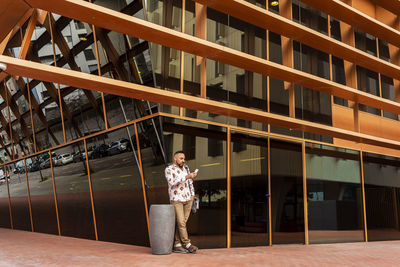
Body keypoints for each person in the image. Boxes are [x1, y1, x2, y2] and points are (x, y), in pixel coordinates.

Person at [165, 150, 198, 254]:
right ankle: (187, 244)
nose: (183, 160)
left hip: (188, 199)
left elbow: (190, 182)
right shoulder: (169, 169)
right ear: (175, 159)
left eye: (184, 158)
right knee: (181, 222)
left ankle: (177, 245)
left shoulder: (186, 168)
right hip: (176, 199)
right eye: (181, 158)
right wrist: (187, 176)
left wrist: (192, 195)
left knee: (181, 223)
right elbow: (172, 182)